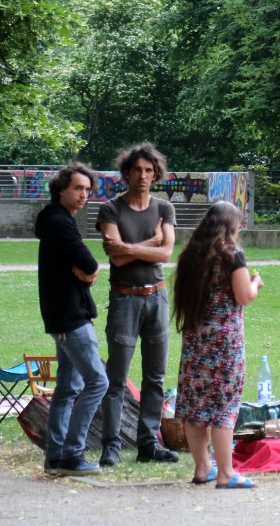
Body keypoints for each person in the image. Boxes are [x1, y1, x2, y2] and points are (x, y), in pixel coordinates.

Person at [96, 143, 178, 465]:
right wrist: (152, 242)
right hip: (124, 299)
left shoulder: (164, 209)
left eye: (149, 170)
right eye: (137, 170)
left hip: (156, 297)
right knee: (116, 379)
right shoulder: (110, 209)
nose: (143, 176)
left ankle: (148, 445)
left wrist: (135, 248)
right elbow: (115, 257)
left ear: (155, 174)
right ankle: (111, 447)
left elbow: (167, 255)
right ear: (126, 173)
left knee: (154, 378)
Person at [172, 201, 263, 488]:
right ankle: (226, 473)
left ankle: (202, 468)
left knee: (195, 404)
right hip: (225, 343)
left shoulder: (192, 255)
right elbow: (243, 296)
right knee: (225, 405)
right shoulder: (232, 255)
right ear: (231, 225)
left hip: (196, 339)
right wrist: (256, 282)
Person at [36, 163, 109, 476]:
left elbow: (81, 265)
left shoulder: (57, 221)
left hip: (61, 316)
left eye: (87, 190)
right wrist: (88, 274)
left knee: (67, 387)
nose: (84, 195)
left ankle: (55, 457)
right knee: (97, 381)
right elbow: (89, 262)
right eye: (78, 188)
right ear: (61, 189)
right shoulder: (59, 223)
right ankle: (71, 454)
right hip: (69, 318)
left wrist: (84, 273)